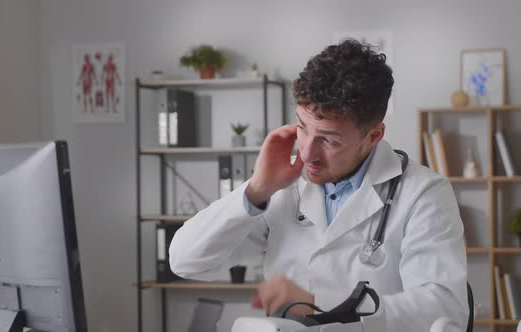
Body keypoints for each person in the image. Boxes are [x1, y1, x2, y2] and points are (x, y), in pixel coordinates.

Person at [169, 40, 468, 331]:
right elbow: (186, 262)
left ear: (374, 135)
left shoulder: (423, 193)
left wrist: (319, 303)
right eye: (301, 127)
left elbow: (441, 309)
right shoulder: (281, 187)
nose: (308, 153)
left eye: (329, 139)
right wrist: (256, 190)